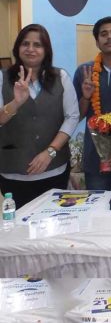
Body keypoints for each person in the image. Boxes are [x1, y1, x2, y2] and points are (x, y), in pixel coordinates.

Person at [0, 24, 80, 208]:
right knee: (20, 228)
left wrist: (51, 151)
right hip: (13, 172)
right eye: (25, 43)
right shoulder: (2, 78)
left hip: (55, 170)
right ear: (17, 47)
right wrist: (16, 103)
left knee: (54, 222)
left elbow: (72, 116)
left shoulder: (61, 77)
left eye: (37, 45)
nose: (30, 49)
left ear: (46, 50)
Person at [73, 16, 111, 191]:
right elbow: (77, 116)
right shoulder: (84, 72)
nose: (109, 37)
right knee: (96, 210)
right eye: (103, 34)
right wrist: (85, 97)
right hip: (94, 158)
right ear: (97, 41)